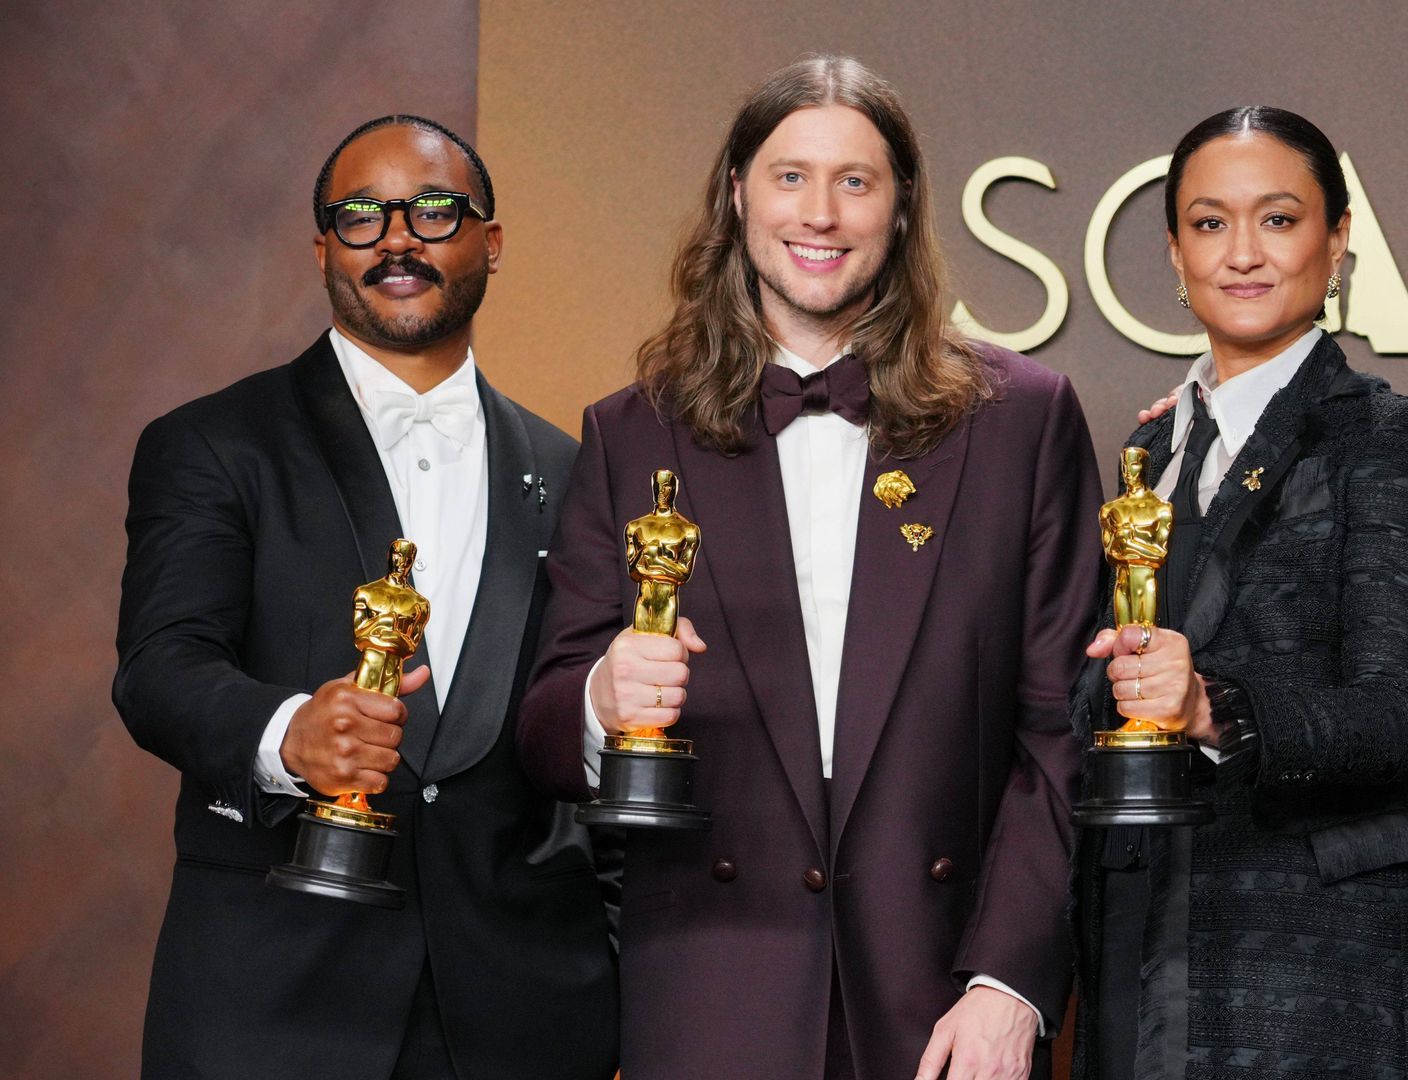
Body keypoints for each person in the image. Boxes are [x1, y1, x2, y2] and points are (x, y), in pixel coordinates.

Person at [513, 55, 1102, 1080]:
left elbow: (1062, 732)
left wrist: (1009, 986)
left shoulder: (1023, 420)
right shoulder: (630, 432)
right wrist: (603, 700)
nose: (819, 214)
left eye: (856, 181)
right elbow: (543, 732)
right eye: (790, 177)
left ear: (904, 207)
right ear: (736, 195)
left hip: (944, 1006)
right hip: (708, 993)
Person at [114, 115, 617, 1080]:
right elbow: (159, 668)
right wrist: (288, 732)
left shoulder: (574, 468)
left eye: (434, 211)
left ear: (492, 242)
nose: (397, 238)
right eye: (360, 216)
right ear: (322, 250)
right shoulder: (213, 444)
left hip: (523, 1012)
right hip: (271, 1005)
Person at [1076, 106, 1408, 1079]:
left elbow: (1396, 714)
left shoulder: (1382, 434)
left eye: (1278, 220)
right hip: (1141, 928)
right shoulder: (1146, 451)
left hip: (1313, 957)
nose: (1242, 252)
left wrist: (1213, 707)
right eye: (1209, 223)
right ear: (1172, 249)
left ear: (1337, 238)